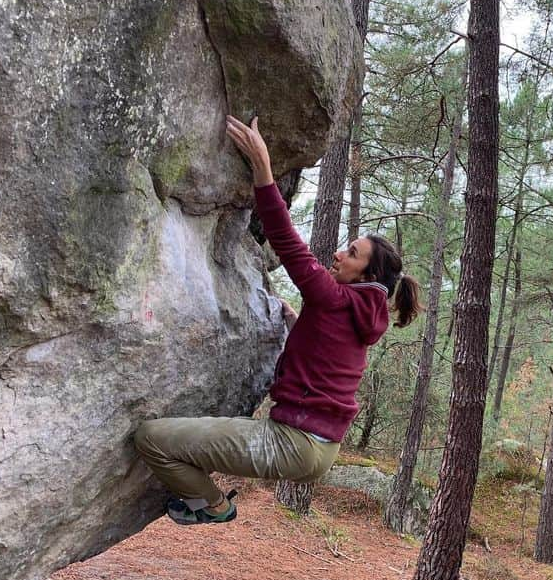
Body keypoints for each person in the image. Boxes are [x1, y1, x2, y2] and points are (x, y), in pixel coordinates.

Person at [133, 115, 421, 525]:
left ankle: (213, 506)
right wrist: (293, 323)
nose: (339, 254)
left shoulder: (333, 297)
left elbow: (286, 241)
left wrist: (263, 170)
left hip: (291, 442)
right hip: (322, 449)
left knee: (152, 439)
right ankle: (205, 501)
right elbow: (328, 353)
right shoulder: (362, 312)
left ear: (368, 276)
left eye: (351, 253)